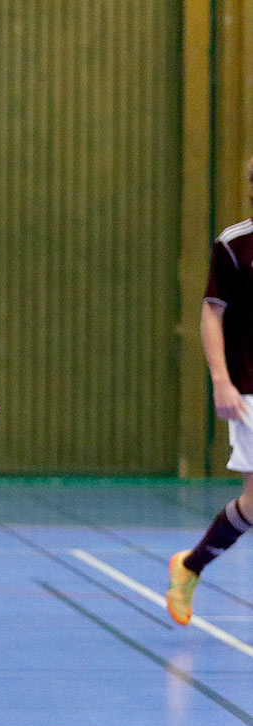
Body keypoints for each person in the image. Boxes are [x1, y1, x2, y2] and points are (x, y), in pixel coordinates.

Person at [167, 155, 253, 626]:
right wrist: (221, 380)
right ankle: (190, 565)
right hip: (250, 389)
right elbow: (211, 313)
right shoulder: (235, 244)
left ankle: (192, 564)